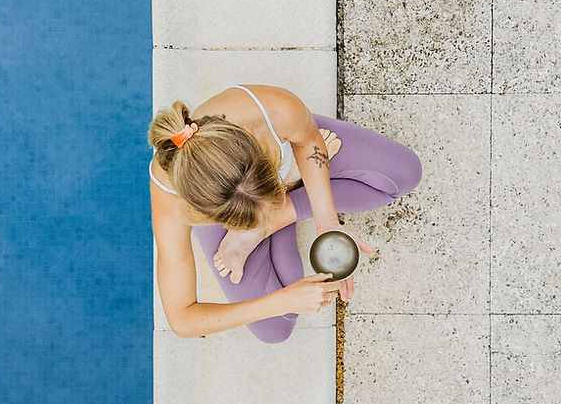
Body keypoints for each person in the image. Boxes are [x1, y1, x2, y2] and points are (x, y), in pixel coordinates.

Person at [147, 84, 422, 343]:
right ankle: (284, 194)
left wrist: (326, 222)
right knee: (274, 328)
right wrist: (284, 301)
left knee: (405, 173)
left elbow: (309, 140)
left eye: (268, 201)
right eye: (252, 219)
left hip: (283, 168)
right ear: (202, 211)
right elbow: (182, 319)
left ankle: (281, 206)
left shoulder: (273, 111)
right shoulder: (170, 198)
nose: (265, 211)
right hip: (262, 183)